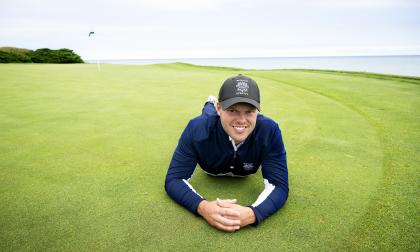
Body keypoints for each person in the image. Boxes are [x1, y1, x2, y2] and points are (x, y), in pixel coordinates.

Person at [164, 74, 288, 232]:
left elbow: (280, 186)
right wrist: (203, 207)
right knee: (207, 115)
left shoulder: (270, 131)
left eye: (249, 111)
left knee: (224, 121)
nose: (241, 120)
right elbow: (174, 179)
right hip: (211, 120)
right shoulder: (196, 128)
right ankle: (210, 103)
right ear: (220, 108)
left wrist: (252, 213)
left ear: (257, 110)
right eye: (232, 110)